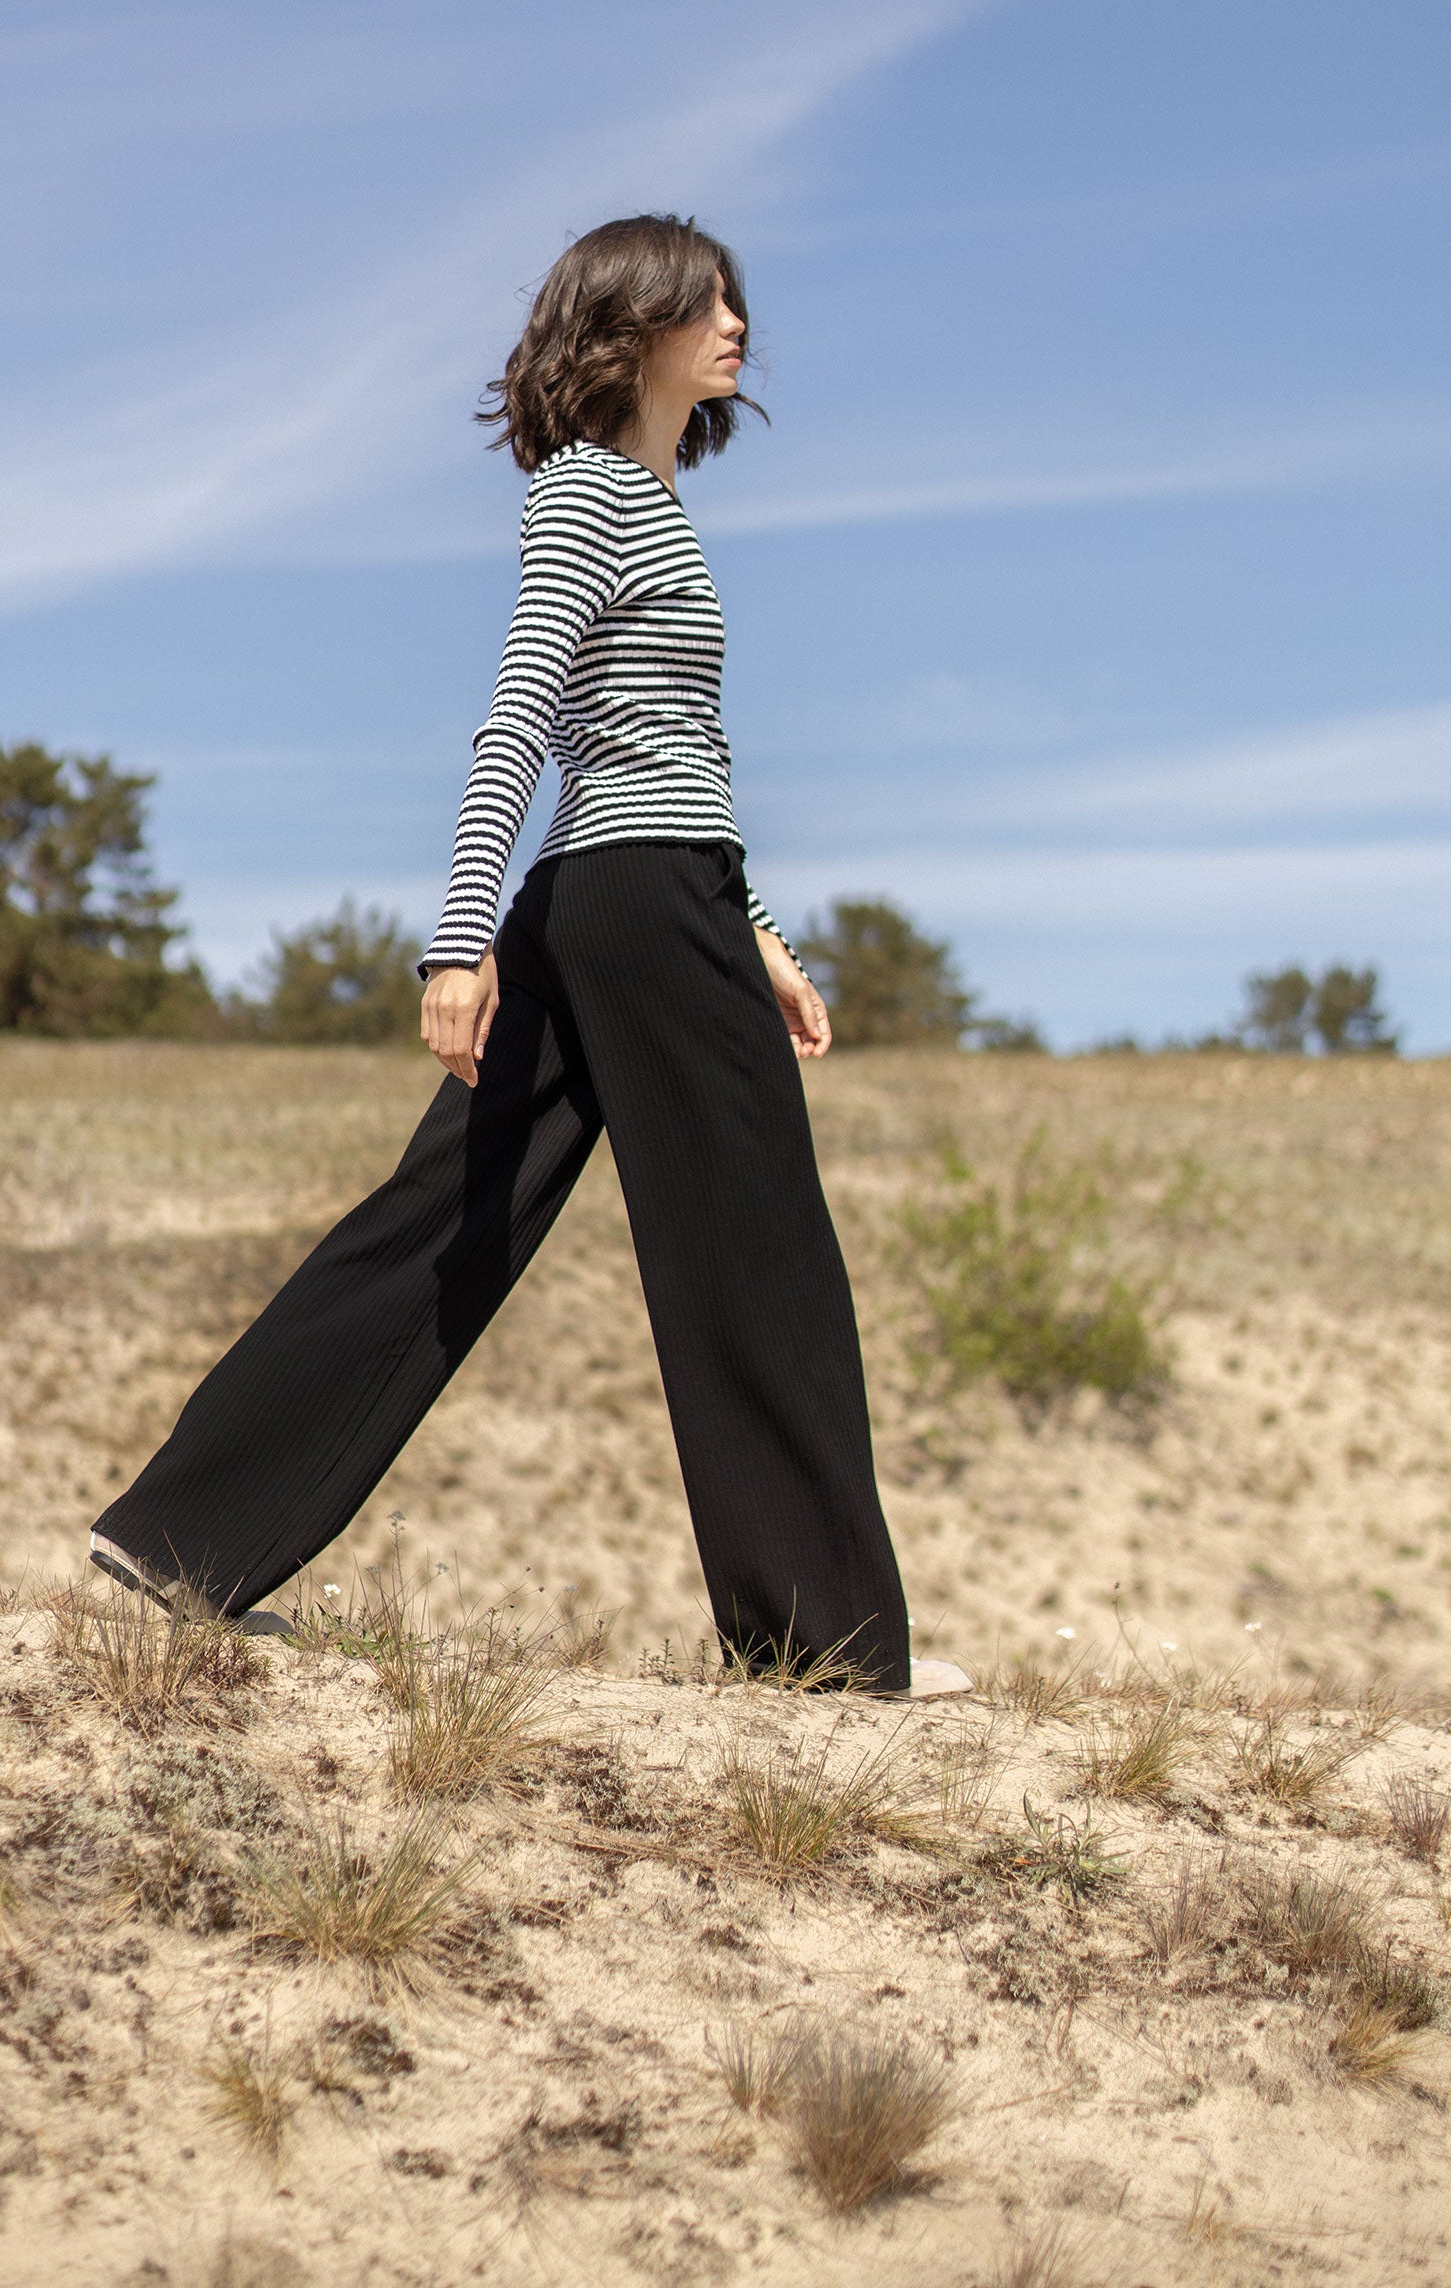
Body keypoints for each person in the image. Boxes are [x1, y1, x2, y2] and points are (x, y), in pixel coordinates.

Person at [90, 213, 969, 1698]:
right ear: (630, 328)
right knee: (760, 1253)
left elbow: (670, 747)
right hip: (626, 900)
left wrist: (760, 935)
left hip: (623, 898)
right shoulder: (587, 497)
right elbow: (523, 715)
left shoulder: (647, 496)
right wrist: (455, 939)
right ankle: (823, 1652)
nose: (737, 320)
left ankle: (176, 1546)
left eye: (737, 297)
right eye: (705, 300)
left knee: (449, 1221)